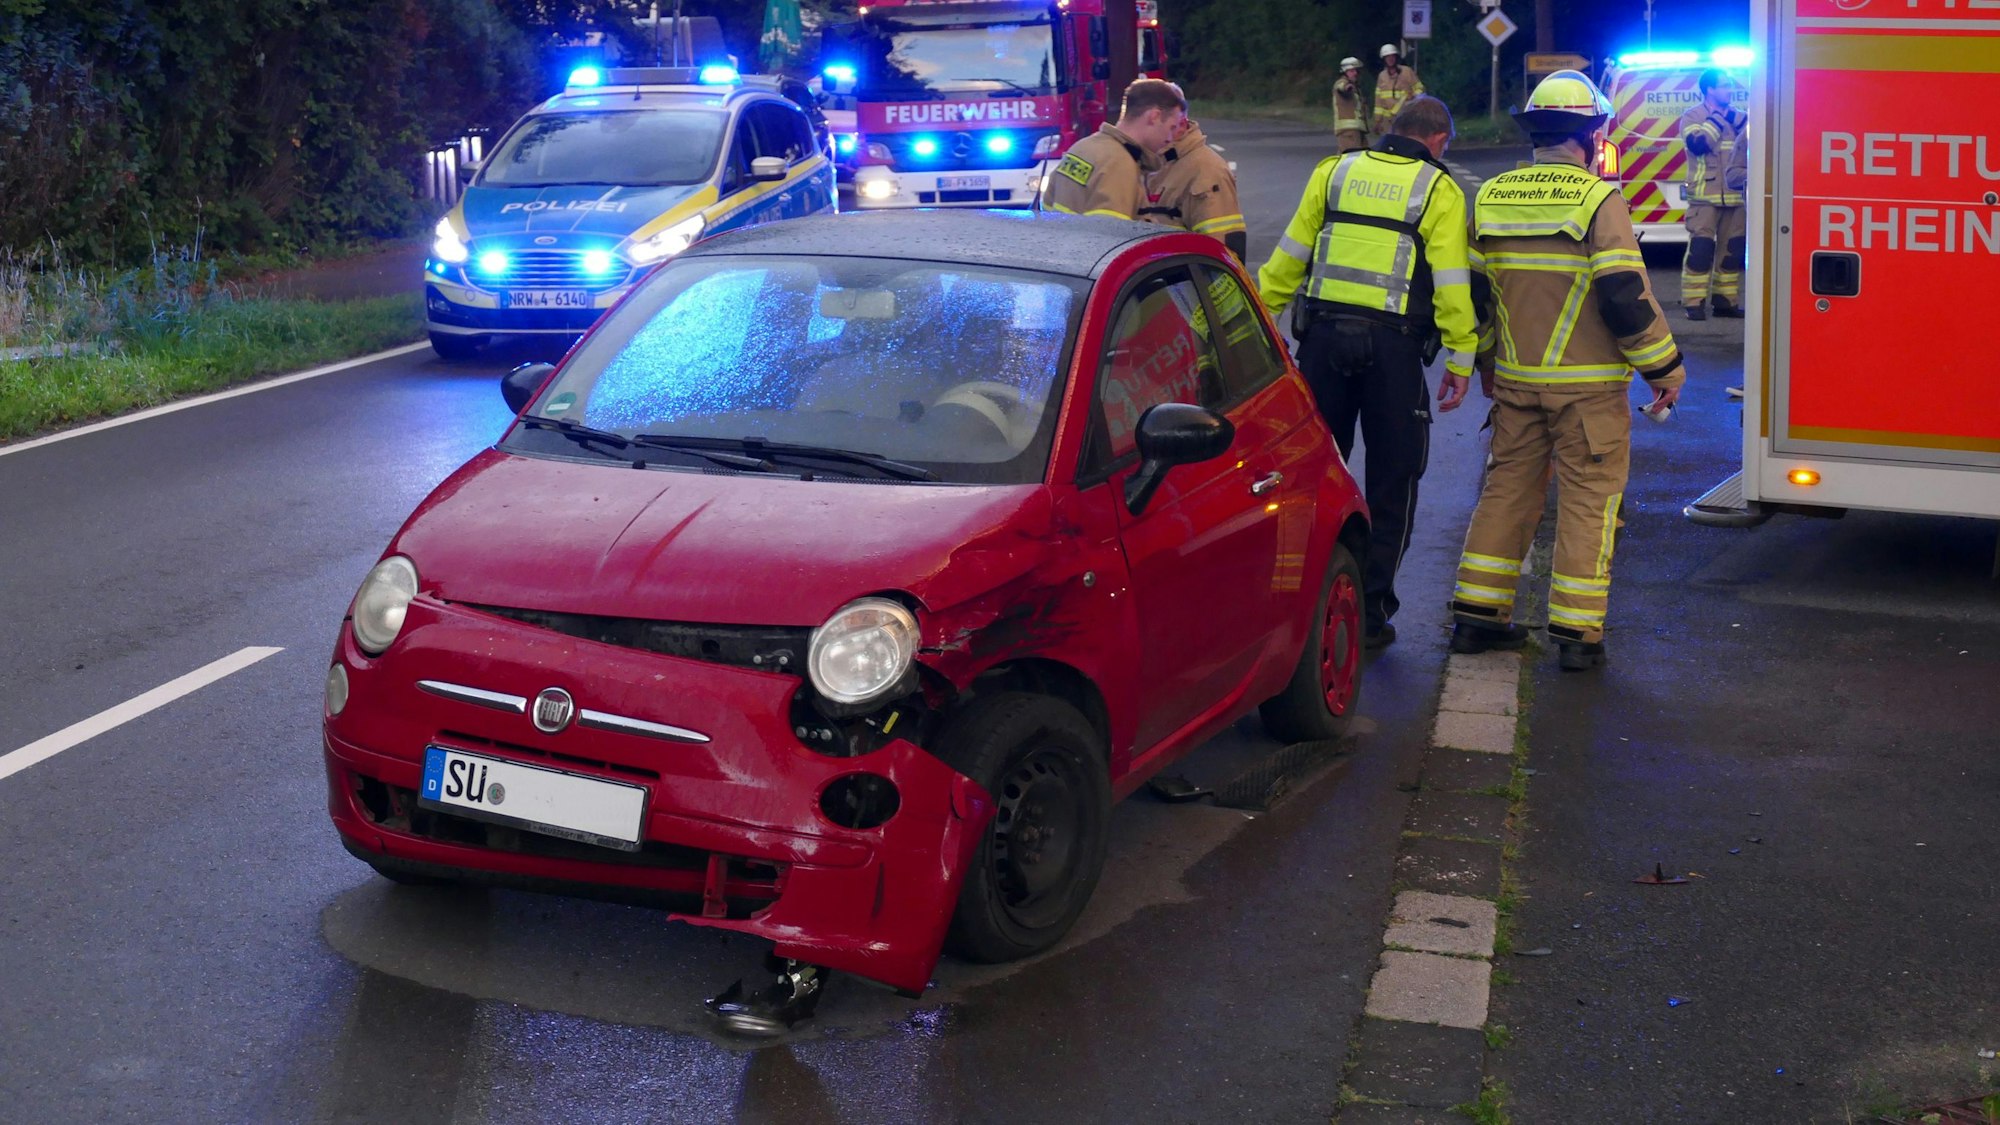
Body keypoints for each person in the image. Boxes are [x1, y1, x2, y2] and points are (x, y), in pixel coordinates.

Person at [1448, 70, 1687, 671]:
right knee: (1588, 501)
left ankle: (1476, 618)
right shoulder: (1597, 198)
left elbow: (1475, 297)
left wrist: (1485, 365)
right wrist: (1664, 367)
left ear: (1535, 130)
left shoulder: (1494, 195)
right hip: (1586, 392)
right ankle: (1577, 637)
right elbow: (1623, 295)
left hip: (1515, 381)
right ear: (1592, 132)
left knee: (1505, 491)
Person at [1256, 94, 1479, 649]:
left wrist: (1256, 328)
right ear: (1438, 140)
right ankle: (1371, 613)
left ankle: (1297, 605)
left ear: (1391, 128)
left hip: (1323, 344)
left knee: (1308, 477)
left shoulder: (1334, 171)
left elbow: (1288, 260)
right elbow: (1451, 280)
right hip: (1393, 353)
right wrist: (1461, 356)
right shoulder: (1439, 190)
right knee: (1393, 478)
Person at [1041, 79, 1185, 220]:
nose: (1170, 138)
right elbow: (1113, 237)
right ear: (1154, 117)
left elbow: (1047, 207)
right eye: (1171, 127)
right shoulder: (1120, 164)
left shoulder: (1081, 148)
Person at [1677, 68, 1747, 320]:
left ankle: (1725, 301)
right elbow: (1698, 145)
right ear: (1710, 90)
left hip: (1735, 196)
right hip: (1704, 197)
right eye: (1724, 86)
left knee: (1732, 252)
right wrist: (1718, 118)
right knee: (1701, 250)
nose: (1730, 90)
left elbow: (1756, 139)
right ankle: (1693, 303)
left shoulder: (1739, 117)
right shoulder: (1692, 116)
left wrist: (1733, 117)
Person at [1140, 114, 1247, 262]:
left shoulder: (1207, 170)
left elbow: (1223, 253)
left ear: (1181, 125)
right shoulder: (1144, 162)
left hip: (1180, 281)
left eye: (1152, 125)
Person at [1371, 44, 1424, 139]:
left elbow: (1420, 89)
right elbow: (1378, 102)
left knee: (1405, 144)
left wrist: (1414, 95)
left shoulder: (1407, 72)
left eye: (1392, 56)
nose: (1390, 59)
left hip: (1406, 116)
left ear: (1396, 57)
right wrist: (1378, 121)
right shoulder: (1382, 76)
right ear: (1383, 59)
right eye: (1387, 57)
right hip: (1388, 121)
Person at [1333, 56, 1368, 153]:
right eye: (1352, 71)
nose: (1355, 73)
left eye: (1356, 71)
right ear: (1345, 72)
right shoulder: (1342, 83)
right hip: (1348, 132)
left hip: (1357, 130)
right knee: (1349, 158)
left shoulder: (1356, 88)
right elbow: (1341, 87)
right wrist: (1347, 87)